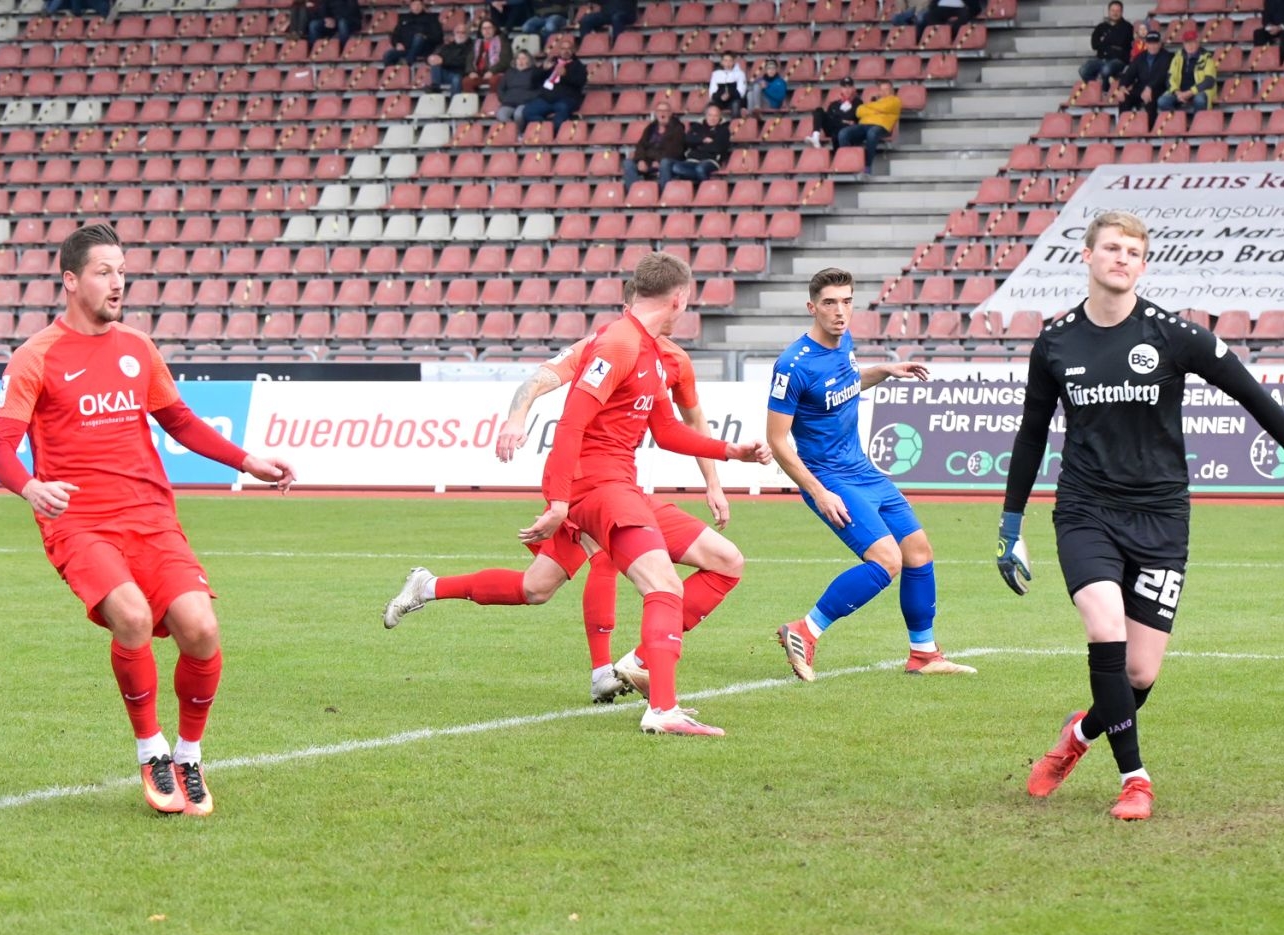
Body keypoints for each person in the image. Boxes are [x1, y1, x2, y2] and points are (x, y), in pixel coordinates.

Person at [995, 210, 1284, 820]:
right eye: (1112, 248)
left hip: (1160, 516)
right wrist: (1011, 525)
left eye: (1133, 251)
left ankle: (1078, 735)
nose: (1122, 258)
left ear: (1143, 264)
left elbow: (1251, 393)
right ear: (1087, 256)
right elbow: (1031, 435)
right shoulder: (1055, 343)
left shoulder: (1172, 334)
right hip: (1085, 509)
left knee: (1138, 673)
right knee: (1104, 626)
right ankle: (1135, 781)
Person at [382, 254, 770, 737]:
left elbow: (668, 430)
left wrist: (730, 452)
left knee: (720, 561)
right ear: (680, 299)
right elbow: (571, 423)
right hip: (596, 486)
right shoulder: (617, 344)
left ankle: (427, 586)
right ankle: (659, 703)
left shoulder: (656, 353)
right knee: (664, 585)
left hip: (619, 485)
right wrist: (560, 502)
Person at [0, 223, 296, 816]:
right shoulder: (35, 357)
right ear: (70, 280)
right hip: (79, 521)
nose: (118, 283)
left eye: (122, 272)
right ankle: (151, 751)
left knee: (201, 628)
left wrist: (247, 460)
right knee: (130, 615)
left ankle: (188, 756)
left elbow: (179, 420)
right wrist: (31, 487)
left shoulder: (137, 347)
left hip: (150, 514)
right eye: (104, 272)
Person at [490, 307, 734, 704]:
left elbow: (688, 423)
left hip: (622, 480)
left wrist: (713, 482)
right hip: (585, 479)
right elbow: (540, 381)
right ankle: (612, 673)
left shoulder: (673, 360)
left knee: (537, 586)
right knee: (602, 561)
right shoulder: (608, 344)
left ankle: (428, 587)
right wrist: (517, 418)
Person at [767, 268, 976, 683]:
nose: (840, 311)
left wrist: (884, 371)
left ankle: (924, 653)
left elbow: (844, 386)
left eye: (846, 301)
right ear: (812, 307)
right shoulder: (793, 365)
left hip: (862, 470)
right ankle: (806, 630)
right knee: (887, 559)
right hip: (829, 477)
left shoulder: (844, 341)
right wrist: (818, 492)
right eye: (829, 303)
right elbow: (777, 441)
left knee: (918, 551)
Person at [518, 36, 587, 129]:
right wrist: (542, 69)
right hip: (546, 99)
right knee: (527, 112)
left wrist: (565, 75)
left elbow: (580, 82)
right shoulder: (552, 61)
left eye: (569, 49)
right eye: (563, 49)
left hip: (565, 100)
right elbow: (534, 80)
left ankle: (553, 133)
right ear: (559, 50)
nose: (566, 51)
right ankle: (546, 128)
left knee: (559, 120)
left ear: (573, 50)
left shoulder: (578, 66)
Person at [836, 80, 899, 171]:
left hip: (882, 126)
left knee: (872, 133)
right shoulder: (874, 102)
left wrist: (869, 107)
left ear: (892, 90)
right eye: (882, 90)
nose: (884, 92)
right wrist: (876, 109)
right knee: (843, 133)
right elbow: (859, 111)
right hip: (864, 125)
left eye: (887, 89)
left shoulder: (896, 100)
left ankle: (867, 165)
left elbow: (885, 107)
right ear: (879, 91)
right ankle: (850, 162)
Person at [1116, 28, 1171, 129]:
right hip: (1141, 88)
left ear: (1160, 44)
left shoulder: (1166, 56)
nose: (1153, 46)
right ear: (1146, 44)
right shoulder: (1141, 57)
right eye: (1150, 43)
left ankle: (1150, 130)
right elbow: (1129, 73)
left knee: (1150, 99)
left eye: (1155, 43)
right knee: (1124, 98)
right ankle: (1124, 129)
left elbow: (1162, 75)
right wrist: (1122, 86)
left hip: (1158, 88)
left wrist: (1150, 87)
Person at [624, 99, 686, 187]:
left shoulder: (678, 128)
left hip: (667, 160)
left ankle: (663, 192)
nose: (662, 113)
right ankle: (634, 191)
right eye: (659, 111)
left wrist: (658, 160)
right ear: (656, 113)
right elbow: (641, 145)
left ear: (670, 113)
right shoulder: (650, 128)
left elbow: (675, 150)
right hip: (649, 160)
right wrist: (641, 160)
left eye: (665, 111)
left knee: (664, 163)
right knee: (628, 163)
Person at [1158, 28, 1220, 114]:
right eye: (1187, 43)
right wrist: (1177, 92)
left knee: (1199, 100)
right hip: (1180, 91)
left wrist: (1189, 93)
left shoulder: (1207, 57)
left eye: (1192, 42)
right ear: (1183, 44)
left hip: (1198, 91)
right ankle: (1178, 120)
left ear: (1198, 42)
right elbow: (1169, 78)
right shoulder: (1177, 57)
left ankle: (1197, 121)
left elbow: (1209, 81)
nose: (1190, 46)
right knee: (1162, 101)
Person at [1080, 0, 1135, 91]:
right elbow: (1094, 45)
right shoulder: (1101, 27)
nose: (1115, 13)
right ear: (1108, 11)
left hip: (1119, 60)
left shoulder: (1128, 27)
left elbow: (1123, 43)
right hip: (1101, 59)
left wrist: (1105, 43)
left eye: (1117, 11)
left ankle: (1105, 92)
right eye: (1113, 10)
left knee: (1106, 70)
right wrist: (1112, 46)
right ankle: (1097, 88)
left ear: (1122, 12)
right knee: (1083, 70)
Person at [670, 103, 731, 184]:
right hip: (693, 160)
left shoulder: (724, 130)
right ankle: (702, 179)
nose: (712, 118)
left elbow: (719, 148)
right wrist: (702, 140)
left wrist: (698, 146)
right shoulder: (696, 127)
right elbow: (688, 140)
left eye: (715, 116)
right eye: (710, 115)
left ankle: (705, 188)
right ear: (706, 116)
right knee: (676, 168)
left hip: (710, 161)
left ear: (720, 117)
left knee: (700, 169)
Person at [382, 0, 444, 67]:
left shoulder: (431, 18)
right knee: (388, 55)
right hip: (406, 49)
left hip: (425, 49)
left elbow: (438, 37)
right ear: (410, 6)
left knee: (419, 37)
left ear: (422, 6)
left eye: (419, 5)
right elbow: (395, 35)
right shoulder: (404, 18)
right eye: (414, 5)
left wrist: (425, 37)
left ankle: (407, 63)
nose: (416, 7)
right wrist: (397, 43)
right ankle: (394, 72)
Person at [427, 19, 474, 96]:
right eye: (458, 32)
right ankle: (435, 91)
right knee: (435, 65)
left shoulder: (472, 46)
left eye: (463, 32)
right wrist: (430, 59)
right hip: (446, 73)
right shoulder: (448, 46)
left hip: (461, 73)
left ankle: (453, 100)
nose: (460, 34)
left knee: (456, 78)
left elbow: (463, 62)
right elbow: (438, 56)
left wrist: (443, 61)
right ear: (454, 33)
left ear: (468, 34)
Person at [807, 79, 856, 148]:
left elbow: (854, 121)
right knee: (819, 110)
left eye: (849, 87)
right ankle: (815, 137)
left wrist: (841, 120)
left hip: (846, 130)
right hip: (833, 129)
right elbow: (830, 119)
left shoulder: (858, 102)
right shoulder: (834, 104)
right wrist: (842, 120)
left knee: (838, 132)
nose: (847, 90)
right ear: (841, 89)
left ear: (853, 88)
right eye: (844, 87)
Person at [494, 49, 541, 121]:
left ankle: (520, 128)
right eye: (518, 58)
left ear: (529, 60)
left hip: (525, 103)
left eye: (523, 58)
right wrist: (504, 98)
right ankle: (512, 128)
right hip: (509, 103)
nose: (520, 61)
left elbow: (540, 90)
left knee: (518, 115)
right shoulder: (509, 72)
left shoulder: (534, 72)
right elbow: (500, 89)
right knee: (501, 115)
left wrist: (528, 98)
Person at [708, 51, 747, 116]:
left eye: (730, 61)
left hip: (734, 100)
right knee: (710, 107)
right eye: (725, 60)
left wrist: (730, 95)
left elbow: (741, 92)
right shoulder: (716, 74)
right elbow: (712, 92)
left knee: (736, 104)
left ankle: (735, 122)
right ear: (722, 62)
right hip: (720, 100)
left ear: (734, 62)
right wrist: (721, 97)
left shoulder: (740, 74)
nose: (728, 63)